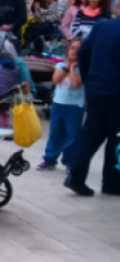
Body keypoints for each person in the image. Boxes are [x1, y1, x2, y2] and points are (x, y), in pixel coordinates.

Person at [65, 15, 120, 197]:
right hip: (116, 91)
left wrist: (89, 78)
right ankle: (112, 183)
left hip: (96, 89)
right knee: (116, 137)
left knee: (90, 134)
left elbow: (83, 52)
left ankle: (76, 177)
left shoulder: (101, 26)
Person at [37, 38, 84, 171]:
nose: (74, 51)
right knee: (55, 133)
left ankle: (70, 161)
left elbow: (76, 83)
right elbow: (56, 79)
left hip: (75, 105)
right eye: (72, 48)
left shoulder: (85, 67)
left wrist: (74, 68)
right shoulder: (60, 66)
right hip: (59, 103)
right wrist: (67, 66)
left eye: (78, 48)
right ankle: (49, 159)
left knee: (72, 135)